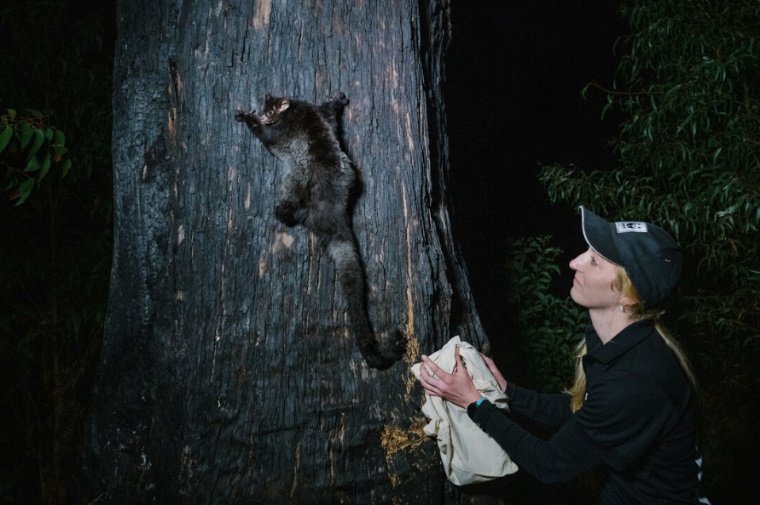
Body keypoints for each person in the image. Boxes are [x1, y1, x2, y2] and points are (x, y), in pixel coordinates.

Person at [418, 206, 702, 504]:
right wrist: (508, 392)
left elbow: (549, 464)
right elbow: (585, 410)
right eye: (587, 251)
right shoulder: (610, 339)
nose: (574, 261)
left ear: (627, 295)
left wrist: (473, 404)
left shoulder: (634, 381)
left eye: (594, 261)